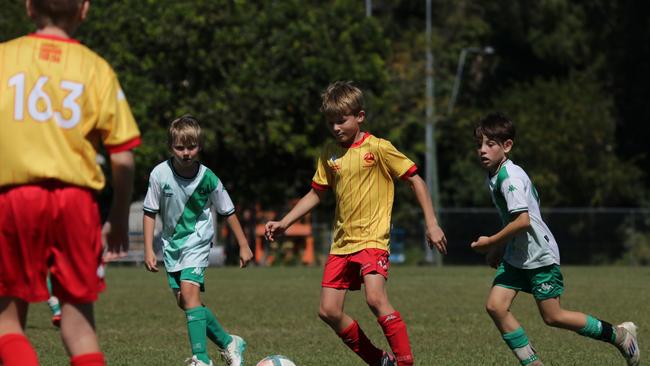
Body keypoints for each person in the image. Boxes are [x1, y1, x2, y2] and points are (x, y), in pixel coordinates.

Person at [265, 81, 447, 366]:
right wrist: (285, 222)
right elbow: (316, 193)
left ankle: (405, 362)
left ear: (359, 116)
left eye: (341, 120)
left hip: (373, 240)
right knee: (328, 310)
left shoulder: (379, 148)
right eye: (330, 122)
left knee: (375, 299)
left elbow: (415, 180)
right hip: (342, 244)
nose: (336, 128)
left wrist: (432, 223)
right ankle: (380, 361)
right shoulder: (329, 152)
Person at [0, 0, 141, 365]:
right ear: (84, 10)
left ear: (29, 8)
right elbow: (123, 156)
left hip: (15, 198)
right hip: (77, 203)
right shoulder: (96, 68)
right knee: (79, 327)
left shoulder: (4, 58)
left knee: (6, 322)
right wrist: (120, 215)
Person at [470, 113, 640, 366]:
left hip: (539, 254)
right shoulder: (496, 174)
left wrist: (492, 242)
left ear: (507, 146)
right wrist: (501, 249)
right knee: (495, 306)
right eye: (480, 144)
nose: (482, 150)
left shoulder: (510, 178)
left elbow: (522, 221)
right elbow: (513, 218)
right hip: (517, 255)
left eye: (490, 144)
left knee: (553, 316)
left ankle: (619, 335)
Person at [143, 116, 254, 366]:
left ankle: (201, 359)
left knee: (190, 296)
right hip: (171, 245)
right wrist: (149, 249)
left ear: (199, 146)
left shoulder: (209, 179)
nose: (185, 153)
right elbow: (149, 211)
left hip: (198, 242)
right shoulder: (159, 174)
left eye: (191, 147)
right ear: (171, 146)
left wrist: (244, 245)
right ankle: (229, 342)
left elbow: (228, 211)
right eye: (179, 147)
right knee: (186, 303)